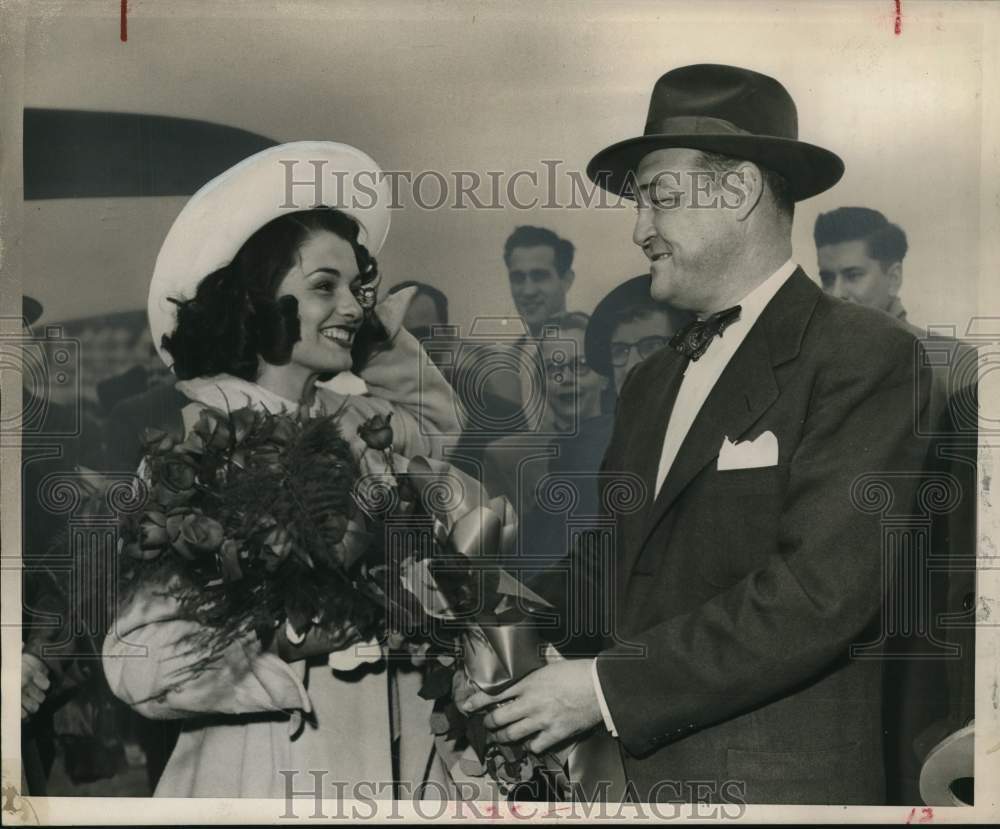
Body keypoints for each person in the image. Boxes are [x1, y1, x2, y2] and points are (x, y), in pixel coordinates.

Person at [461, 64, 932, 805]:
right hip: (624, 787)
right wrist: (476, 612)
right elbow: (609, 562)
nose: (639, 229)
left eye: (658, 197)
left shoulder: (867, 355)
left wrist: (603, 687)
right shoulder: (652, 378)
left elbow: (820, 593)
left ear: (740, 190)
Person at [102, 142, 461, 798]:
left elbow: (441, 421)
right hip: (268, 775)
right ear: (253, 300)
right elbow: (136, 663)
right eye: (323, 285)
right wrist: (289, 649)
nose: (353, 305)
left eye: (359, 287)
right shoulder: (198, 449)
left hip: (407, 772)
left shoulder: (363, 424)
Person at [481, 313, 609, 572]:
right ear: (541, 384)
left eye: (580, 365)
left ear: (605, 377)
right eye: (554, 369)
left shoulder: (631, 440)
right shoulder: (509, 457)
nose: (566, 379)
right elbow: (503, 554)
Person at [813, 207, 920, 333]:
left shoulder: (934, 351)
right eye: (827, 279)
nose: (836, 294)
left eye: (853, 276)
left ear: (893, 279)